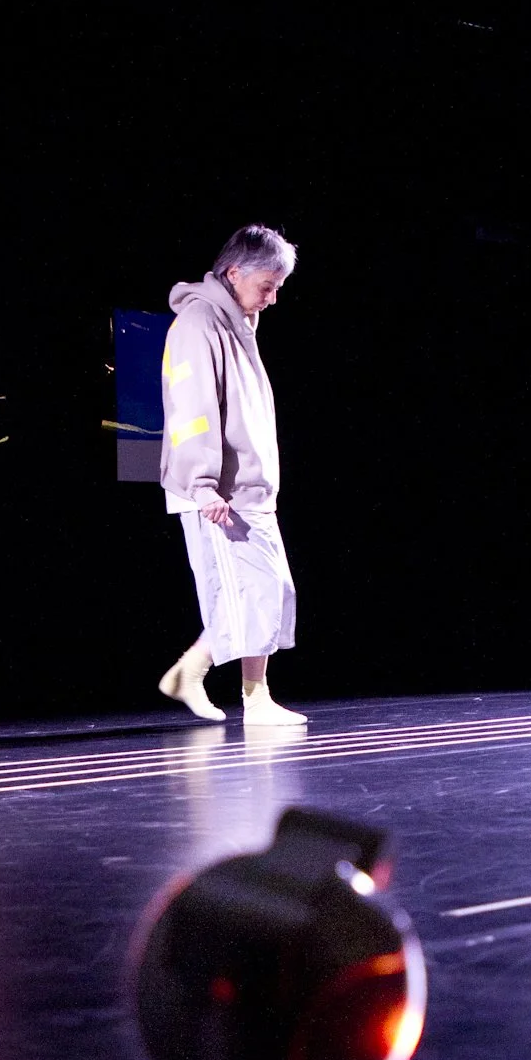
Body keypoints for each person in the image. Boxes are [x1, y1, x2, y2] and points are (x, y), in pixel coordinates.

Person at [157, 224, 305, 727]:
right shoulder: (199, 323)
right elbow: (192, 408)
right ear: (235, 272)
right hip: (216, 491)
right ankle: (254, 698)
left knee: (268, 591)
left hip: (246, 490)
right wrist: (202, 485)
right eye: (267, 286)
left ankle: (193, 672)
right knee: (250, 593)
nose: (272, 298)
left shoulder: (236, 324)